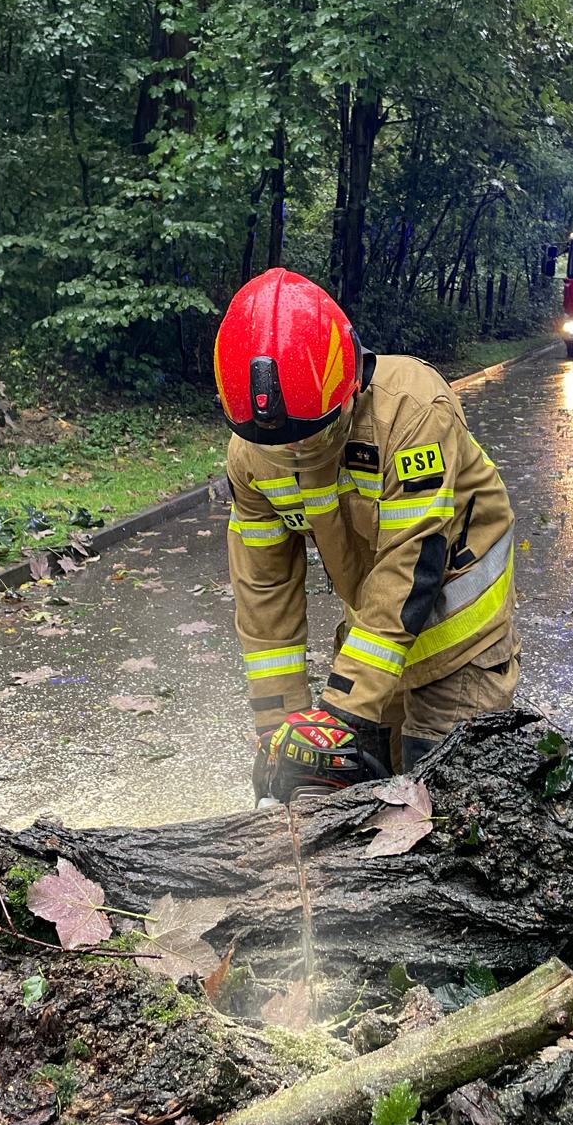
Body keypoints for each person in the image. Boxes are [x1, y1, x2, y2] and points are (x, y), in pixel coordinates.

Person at [215, 267, 520, 805]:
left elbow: (411, 566)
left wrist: (342, 710)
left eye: (314, 436)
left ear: (351, 380)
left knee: (445, 801)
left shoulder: (411, 411)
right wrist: (280, 728)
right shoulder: (251, 456)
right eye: (280, 444)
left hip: (459, 633)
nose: (294, 454)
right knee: (366, 802)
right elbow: (264, 594)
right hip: (376, 636)